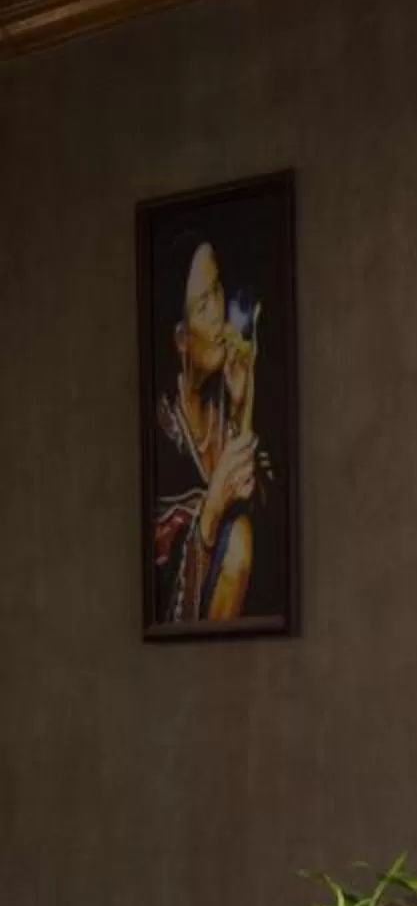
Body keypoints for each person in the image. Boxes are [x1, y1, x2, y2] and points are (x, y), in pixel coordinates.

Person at [150, 240, 265, 623]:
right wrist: (213, 507)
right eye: (203, 305)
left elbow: (256, 497)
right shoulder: (162, 430)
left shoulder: (221, 398)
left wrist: (242, 401)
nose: (219, 313)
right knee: (239, 539)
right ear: (182, 338)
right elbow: (161, 587)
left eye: (217, 291)